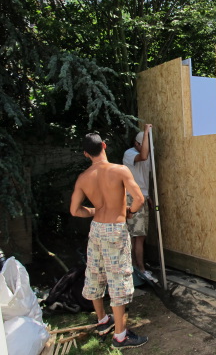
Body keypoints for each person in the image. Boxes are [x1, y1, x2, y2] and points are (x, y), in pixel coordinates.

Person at [70, 133, 149, 349]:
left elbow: (74, 210)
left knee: (95, 272)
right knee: (118, 278)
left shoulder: (83, 178)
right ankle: (121, 336)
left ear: (86, 154)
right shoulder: (119, 170)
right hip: (115, 229)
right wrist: (129, 212)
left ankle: (103, 320)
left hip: (96, 228)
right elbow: (139, 198)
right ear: (104, 146)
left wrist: (96, 210)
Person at [123, 124, 157, 283]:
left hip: (141, 197)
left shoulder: (147, 155)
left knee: (140, 235)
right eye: (143, 145)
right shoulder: (129, 154)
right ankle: (139, 270)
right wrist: (146, 133)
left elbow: (144, 178)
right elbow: (142, 156)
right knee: (135, 236)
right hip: (132, 198)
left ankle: (137, 268)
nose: (147, 149)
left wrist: (147, 194)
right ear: (136, 144)